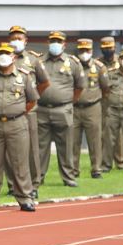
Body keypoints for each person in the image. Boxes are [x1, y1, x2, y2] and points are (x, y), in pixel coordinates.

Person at [0, 43, 39, 212]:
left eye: (7, 53)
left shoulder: (24, 76)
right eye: (1, 53)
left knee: (20, 162)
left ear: (13, 57)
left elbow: (32, 100)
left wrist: (17, 112)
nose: (3, 56)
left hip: (17, 123)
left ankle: (25, 198)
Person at [6, 25, 49, 198]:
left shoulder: (33, 59)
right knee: (10, 151)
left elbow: (45, 82)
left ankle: (33, 185)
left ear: (25, 40)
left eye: (19, 38)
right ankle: (12, 185)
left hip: (27, 111)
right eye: (13, 37)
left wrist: (32, 98)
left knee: (31, 149)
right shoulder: (2, 58)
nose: (16, 41)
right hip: (9, 112)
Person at [37, 30, 85, 188]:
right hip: (42, 109)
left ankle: (68, 177)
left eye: (58, 41)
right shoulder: (39, 61)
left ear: (64, 44)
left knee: (65, 146)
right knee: (40, 147)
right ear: (48, 43)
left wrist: (69, 102)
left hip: (63, 109)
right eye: (53, 41)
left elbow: (79, 86)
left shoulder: (73, 62)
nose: (55, 44)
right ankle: (38, 177)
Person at [72, 38, 109, 179]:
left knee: (95, 140)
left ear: (91, 51)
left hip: (92, 107)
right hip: (74, 108)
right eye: (81, 50)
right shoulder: (73, 66)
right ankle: (74, 170)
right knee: (73, 141)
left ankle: (96, 169)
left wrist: (96, 99)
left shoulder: (99, 67)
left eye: (87, 50)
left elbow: (106, 89)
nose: (84, 53)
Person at [98, 36, 123, 170]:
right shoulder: (97, 63)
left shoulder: (121, 62)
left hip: (118, 100)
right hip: (103, 102)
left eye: (110, 48)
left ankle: (121, 162)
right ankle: (104, 161)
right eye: (105, 48)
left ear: (114, 47)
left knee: (119, 133)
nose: (108, 50)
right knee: (104, 132)